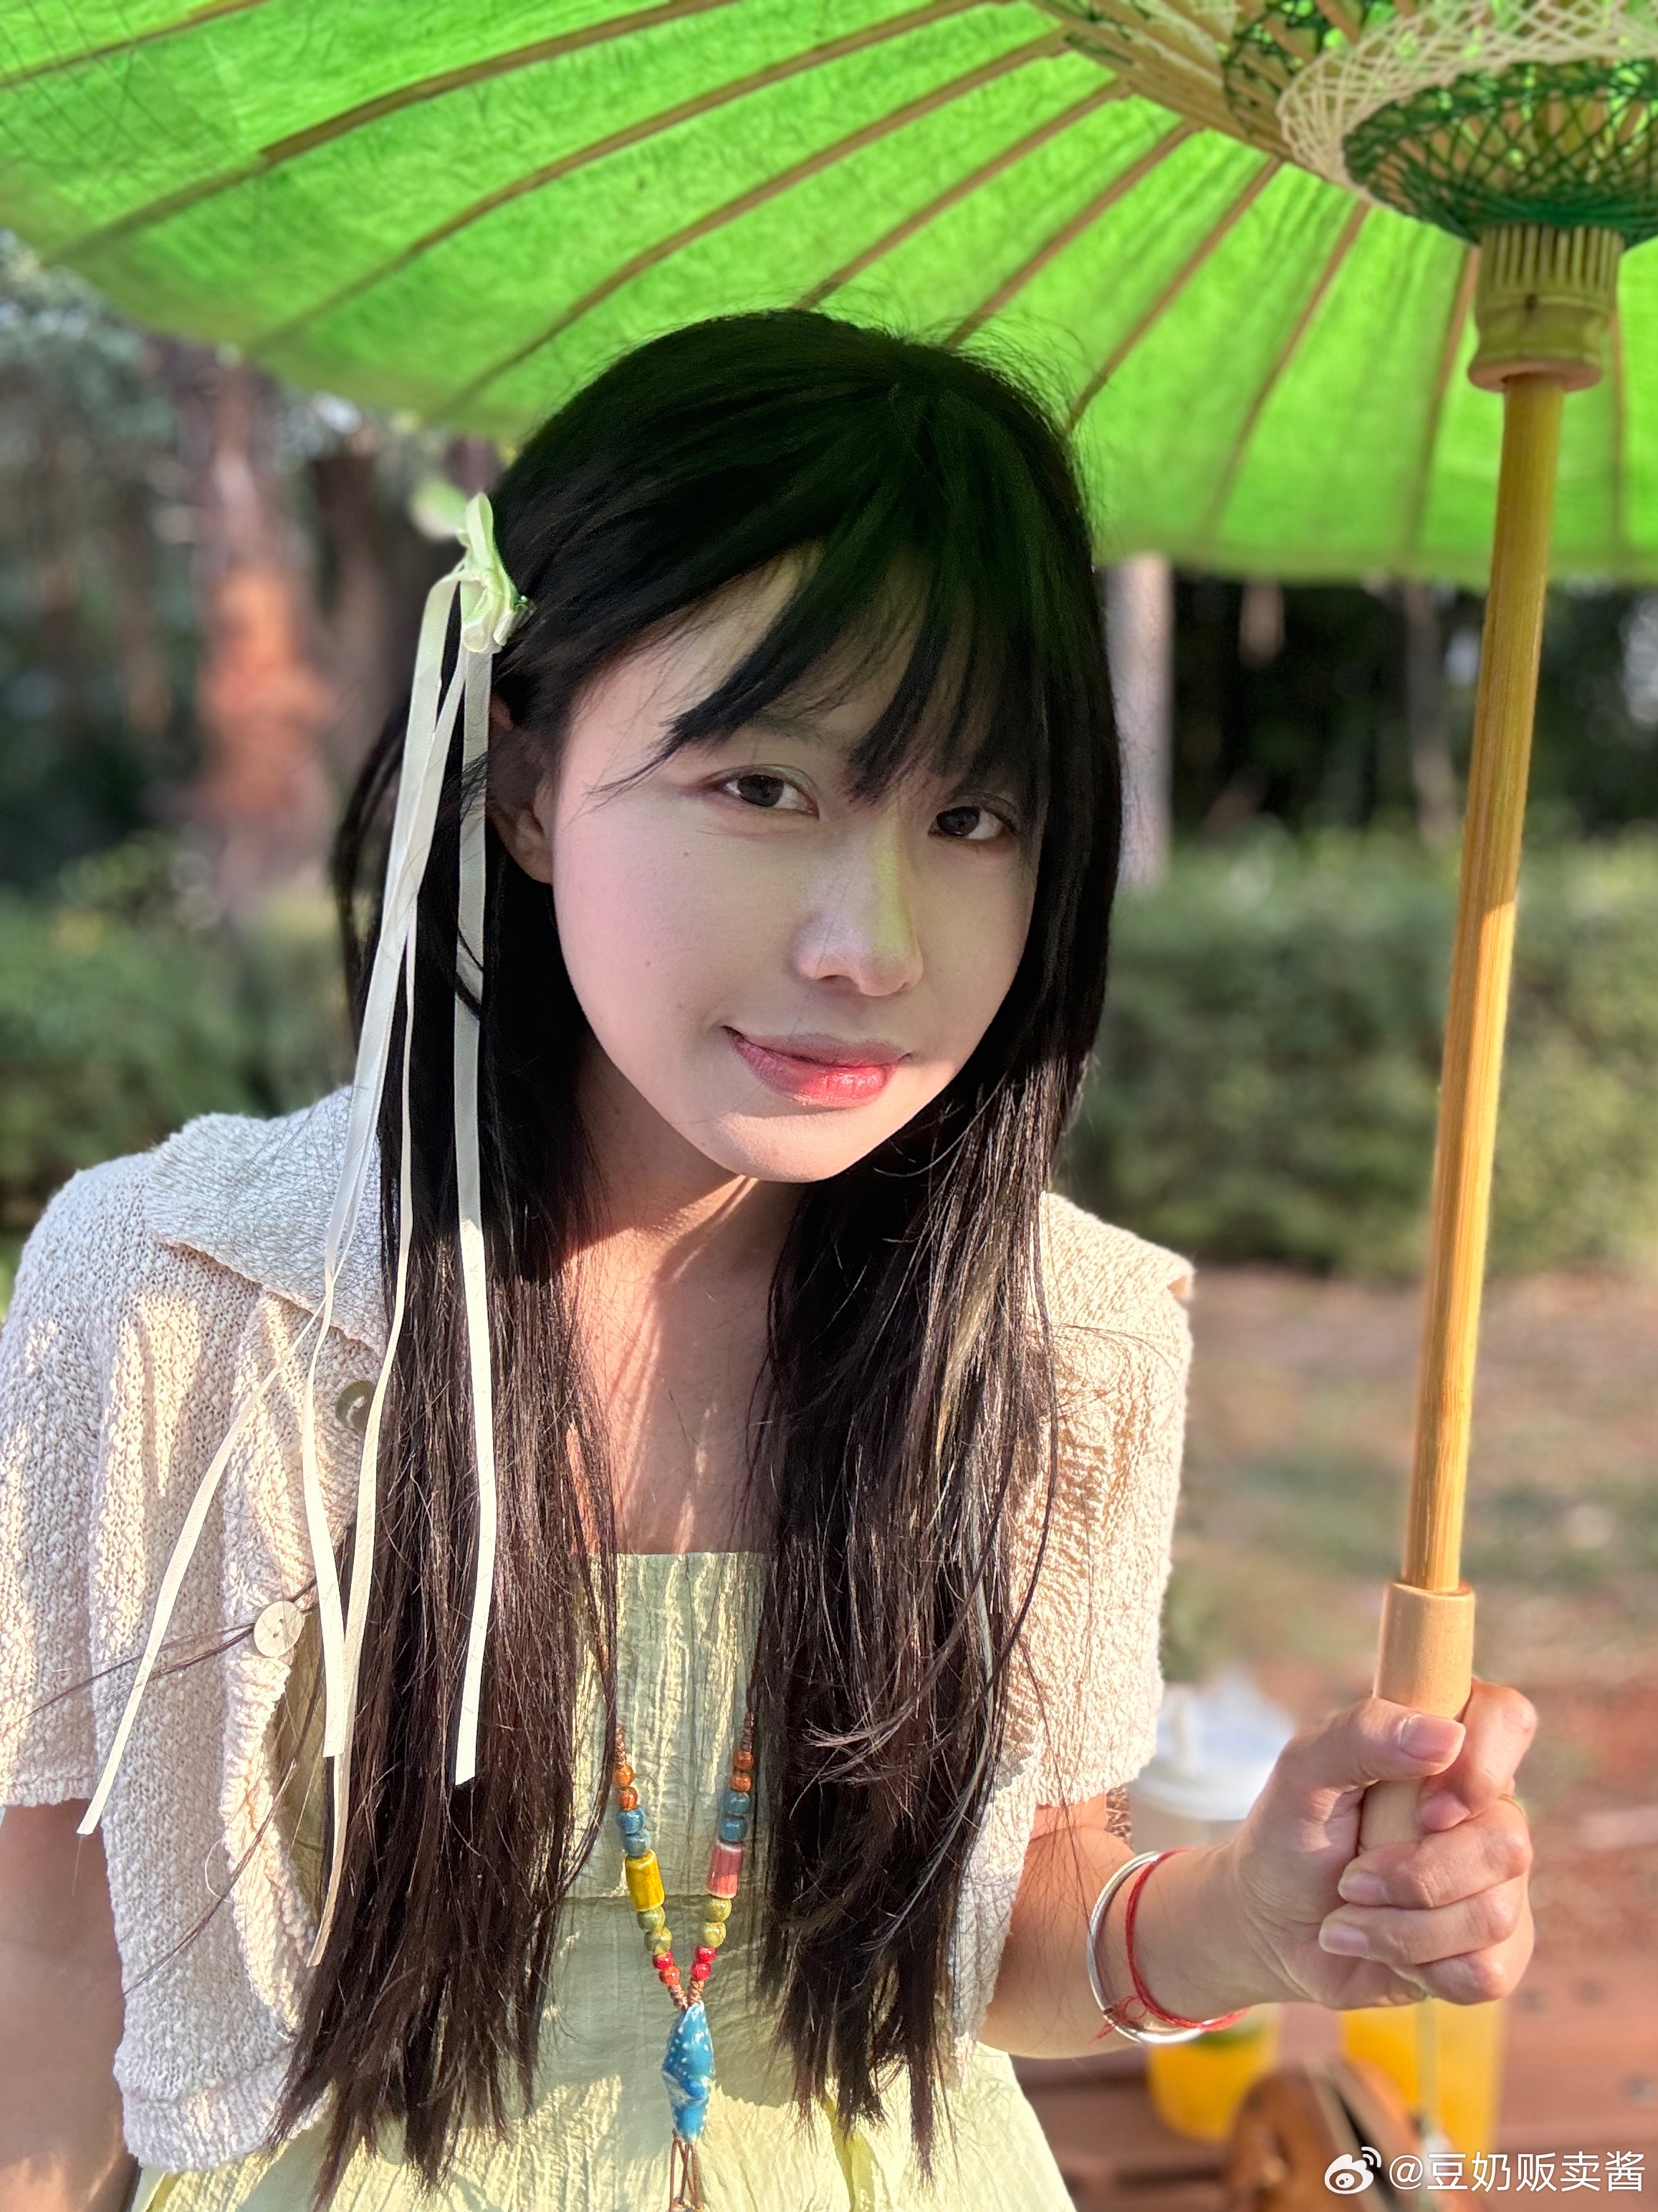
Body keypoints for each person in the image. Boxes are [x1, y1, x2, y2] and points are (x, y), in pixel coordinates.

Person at [0, 313, 1533, 2212]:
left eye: (970, 816)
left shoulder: (1062, 1340)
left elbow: (1005, 1932)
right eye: (763, 787)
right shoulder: (182, 1303)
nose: (868, 944)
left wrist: (1259, 1918)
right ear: (523, 784)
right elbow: (53, 1955)